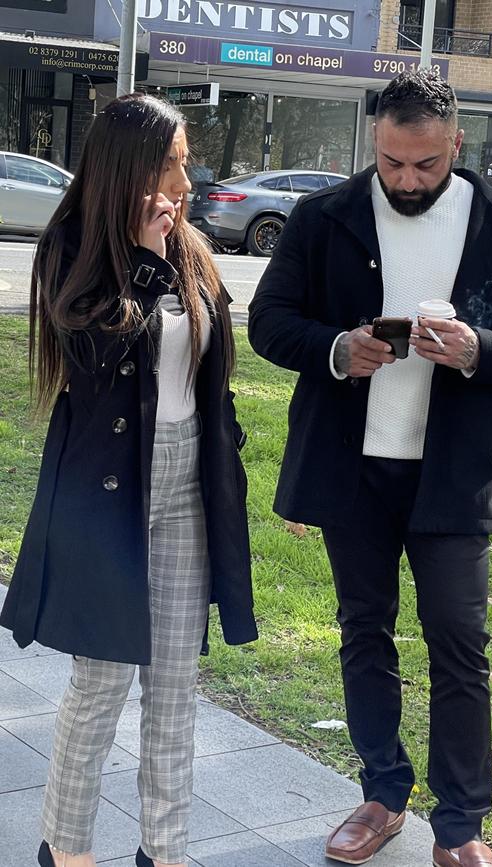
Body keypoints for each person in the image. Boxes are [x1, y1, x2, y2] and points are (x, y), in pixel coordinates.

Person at [248, 71, 492, 867]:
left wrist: (476, 350)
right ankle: (383, 794)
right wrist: (335, 348)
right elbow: (268, 322)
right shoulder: (325, 217)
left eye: (424, 164)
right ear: (375, 143)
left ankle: (459, 827)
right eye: (391, 162)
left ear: (455, 144)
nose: (406, 179)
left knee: (459, 641)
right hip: (352, 470)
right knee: (365, 631)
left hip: (450, 476)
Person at [0, 93, 257, 867]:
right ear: (134, 166)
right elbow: (93, 365)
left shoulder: (192, 248)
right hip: (106, 495)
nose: (187, 177)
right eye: (175, 161)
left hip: (186, 491)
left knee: (174, 695)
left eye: (184, 161)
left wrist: (234, 465)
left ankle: (165, 851)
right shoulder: (72, 247)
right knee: (101, 685)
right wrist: (142, 260)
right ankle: (68, 848)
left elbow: (211, 378)